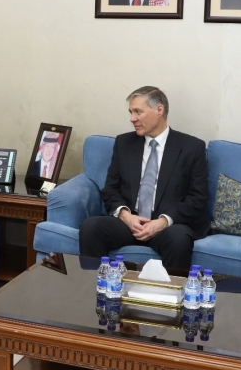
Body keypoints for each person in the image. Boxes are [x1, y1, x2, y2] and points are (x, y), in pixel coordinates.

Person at [78, 86, 210, 271]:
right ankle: (96, 285)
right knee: (91, 227)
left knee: (179, 239)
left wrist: (162, 222)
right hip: (130, 222)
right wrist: (126, 216)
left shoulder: (191, 147)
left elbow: (197, 197)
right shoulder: (124, 143)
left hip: (168, 226)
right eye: (131, 112)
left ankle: (169, 290)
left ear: (159, 110)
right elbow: (110, 189)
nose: (132, 118)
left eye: (138, 112)